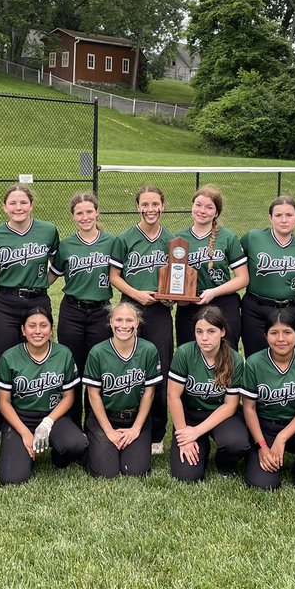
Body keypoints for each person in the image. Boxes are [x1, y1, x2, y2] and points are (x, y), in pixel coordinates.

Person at [0, 183, 60, 456]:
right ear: (4, 207)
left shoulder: (47, 231)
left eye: (23, 203)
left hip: (37, 300)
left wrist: (38, 286)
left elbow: (55, 268)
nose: (18, 208)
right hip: (4, 302)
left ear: (31, 204)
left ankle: (46, 425)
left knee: (43, 362)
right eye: (12, 203)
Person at [109, 185, 174, 453]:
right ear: (138, 207)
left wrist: (171, 296)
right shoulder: (124, 238)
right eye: (145, 204)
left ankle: (157, 434)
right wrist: (137, 294)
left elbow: (176, 279)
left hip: (159, 311)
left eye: (155, 204)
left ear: (163, 206)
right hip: (129, 310)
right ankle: (122, 422)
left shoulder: (171, 240)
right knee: (127, 368)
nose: (150, 209)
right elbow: (115, 276)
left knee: (159, 371)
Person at [0, 306, 88, 486]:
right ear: (23, 330)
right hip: (20, 417)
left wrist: (47, 423)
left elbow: (69, 396)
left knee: (75, 444)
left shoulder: (63, 354)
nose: (38, 331)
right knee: (12, 479)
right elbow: (3, 402)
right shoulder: (10, 357)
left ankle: (58, 459)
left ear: (51, 330)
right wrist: (24, 433)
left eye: (44, 326)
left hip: (53, 417)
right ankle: (23, 452)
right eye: (32, 326)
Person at [240, 308, 295, 490]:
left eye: (287, 332)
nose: (281, 339)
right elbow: (249, 409)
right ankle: (263, 457)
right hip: (265, 426)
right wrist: (263, 446)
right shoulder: (254, 362)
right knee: (263, 484)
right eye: (274, 333)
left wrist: (282, 437)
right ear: (266, 336)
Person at [49, 191, 116, 426]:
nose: (85, 216)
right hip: (73, 311)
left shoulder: (111, 242)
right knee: (73, 368)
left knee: (97, 370)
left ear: (97, 212)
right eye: (80, 213)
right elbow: (51, 277)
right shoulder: (66, 245)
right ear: (73, 216)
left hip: (101, 312)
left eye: (89, 211)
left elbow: (122, 275)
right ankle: (72, 424)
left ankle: (94, 423)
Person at [167, 306, 252, 482]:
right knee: (186, 476)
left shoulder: (234, 359)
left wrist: (196, 432)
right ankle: (201, 449)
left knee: (236, 444)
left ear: (222, 332)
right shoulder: (184, 353)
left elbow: (230, 405)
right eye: (199, 331)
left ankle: (224, 463)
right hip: (190, 414)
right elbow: (173, 397)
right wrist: (185, 436)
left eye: (211, 331)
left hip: (220, 414)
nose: (204, 338)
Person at [82, 302, 162, 478]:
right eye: (118, 320)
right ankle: (95, 447)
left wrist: (136, 428)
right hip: (105, 417)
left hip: (135, 417)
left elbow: (149, 393)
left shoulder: (148, 350)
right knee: (105, 472)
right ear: (110, 322)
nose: (123, 326)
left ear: (137, 323)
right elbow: (93, 394)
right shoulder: (98, 352)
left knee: (135, 471)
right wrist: (109, 431)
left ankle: (127, 444)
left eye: (129, 320)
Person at [173, 185, 248, 350]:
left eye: (209, 207)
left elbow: (243, 278)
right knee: (189, 354)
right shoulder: (178, 238)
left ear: (216, 212)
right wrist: (178, 297)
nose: (202, 210)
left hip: (223, 303)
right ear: (192, 206)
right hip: (189, 306)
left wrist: (214, 292)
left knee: (225, 355)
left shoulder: (228, 237)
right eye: (198, 205)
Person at [239, 196, 295, 358]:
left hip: (291, 309)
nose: (284, 220)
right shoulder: (253, 238)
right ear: (270, 218)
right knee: (256, 359)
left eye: (289, 215)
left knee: (291, 359)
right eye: (278, 215)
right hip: (256, 309)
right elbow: (232, 262)